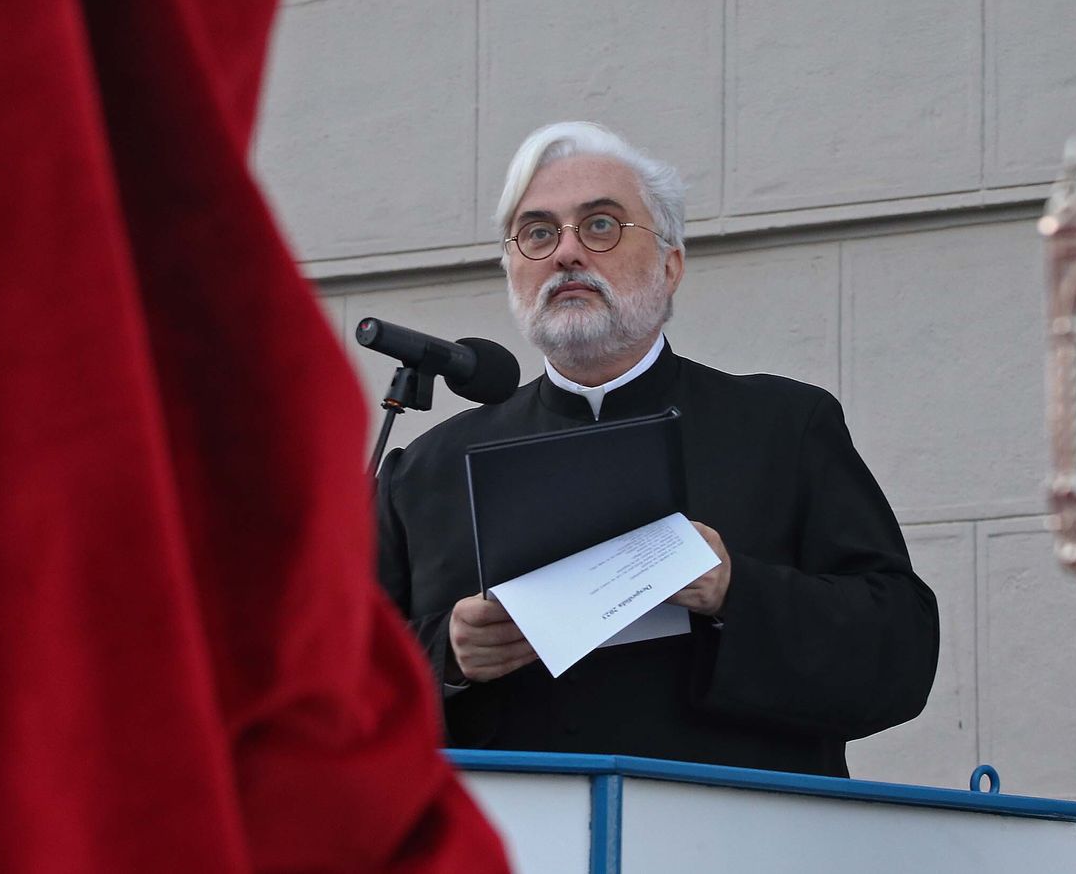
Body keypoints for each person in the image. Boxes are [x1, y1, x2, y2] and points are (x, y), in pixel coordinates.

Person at [375, 121, 939, 777]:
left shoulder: (785, 428)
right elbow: (338, 685)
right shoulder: (424, 472)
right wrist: (446, 654)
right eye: (537, 233)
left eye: (602, 226)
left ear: (670, 264)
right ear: (512, 271)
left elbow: (900, 651)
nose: (566, 254)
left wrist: (734, 589)